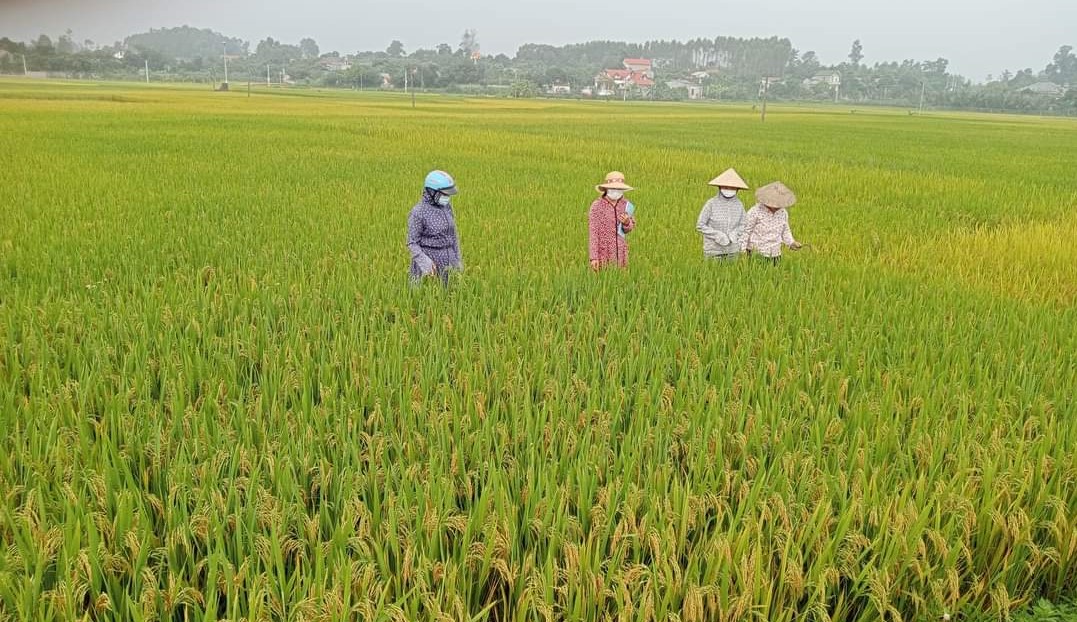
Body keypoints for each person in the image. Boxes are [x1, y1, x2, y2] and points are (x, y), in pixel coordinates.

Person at [407, 170, 462, 284]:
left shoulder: (447, 207)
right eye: (444, 194)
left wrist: (457, 259)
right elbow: (412, 242)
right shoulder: (418, 212)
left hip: (449, 264)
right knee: (429, 293)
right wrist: (425, 263)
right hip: (429, 266)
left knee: (450, 292)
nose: (447, 197)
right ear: (431, 192)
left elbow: (453, 235)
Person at [742, 181, 803, 264]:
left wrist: (791, 243)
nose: (777, 206)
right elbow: (745, 231)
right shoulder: (755, 211)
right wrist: (742, 251)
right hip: (756, 252)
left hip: (775, 253)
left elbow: (785, 230)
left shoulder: (783, 213)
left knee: (774, 271)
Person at [696, 168, 749, 261]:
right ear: (720, 187)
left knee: (731, 270)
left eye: (732, 188)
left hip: (733, 250)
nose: (729, 190)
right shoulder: (711, 203)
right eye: (726, 187)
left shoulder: (739, 205)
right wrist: (718, 235)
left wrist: (734, 234)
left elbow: (744, 224)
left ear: (737, 189)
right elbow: (700, 225)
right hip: (713, 250)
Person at [589, 171, 637, 270]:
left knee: (620, 277)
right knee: (604, 277)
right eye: (613, 188)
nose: (616, 191)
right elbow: (593, 232)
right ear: (606, 189)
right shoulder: (597, 206)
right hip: (603, 252)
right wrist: (593, 258)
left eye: (619, 189)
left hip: (620, 252)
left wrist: (627, 222)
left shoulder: (626, 205)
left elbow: (629, 228)